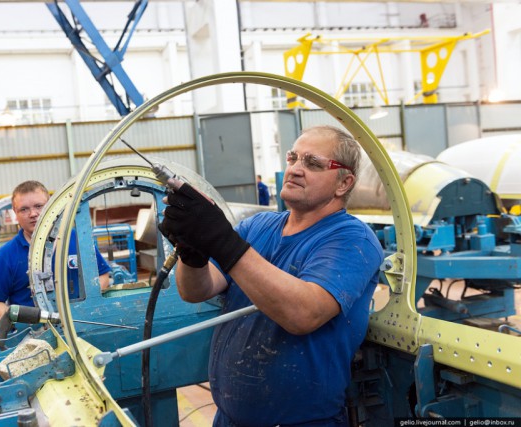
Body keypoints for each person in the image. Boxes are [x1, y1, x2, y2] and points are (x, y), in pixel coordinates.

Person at [160, 125, 383, 426]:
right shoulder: (258, 226)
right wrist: (192, 253)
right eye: (293, 158)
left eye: (313, 163)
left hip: (301, 422)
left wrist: (223, 242)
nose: (295, 169)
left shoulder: (352, 239)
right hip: (229, 418)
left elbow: (303, 313)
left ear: (343, 183)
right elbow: (197, 290)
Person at [0, 180, 111, 322]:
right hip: (34, 336)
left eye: (39, 206)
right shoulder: (5, 255)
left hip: (82, 325)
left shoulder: (76, 239)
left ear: (50, 205)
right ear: (15, 213)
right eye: (24, 209)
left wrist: (83, 310)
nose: (33, 214)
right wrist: (22, 323)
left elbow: (103, 276)